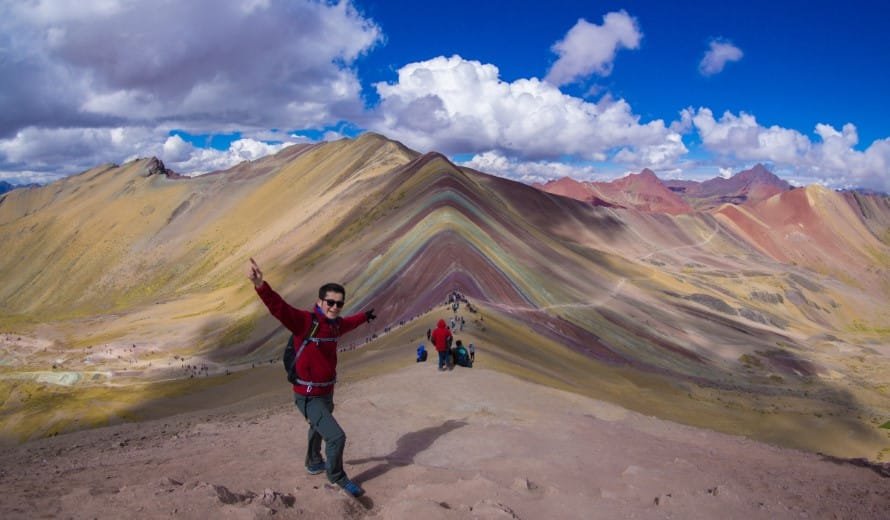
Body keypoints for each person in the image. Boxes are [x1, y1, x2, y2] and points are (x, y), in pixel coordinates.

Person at [248, 257, 374, 498]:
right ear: (320, 301)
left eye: (339, 303)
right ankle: (337, 476)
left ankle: (314, 461)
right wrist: (260, 285)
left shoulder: (335, 325)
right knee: (336, 436)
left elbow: (349, 322)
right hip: (307, 396)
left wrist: (365, 317)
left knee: (318, 426)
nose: (335, 307)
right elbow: (279, 308)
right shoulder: (306, 322)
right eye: (330, 302)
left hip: (326, 392)